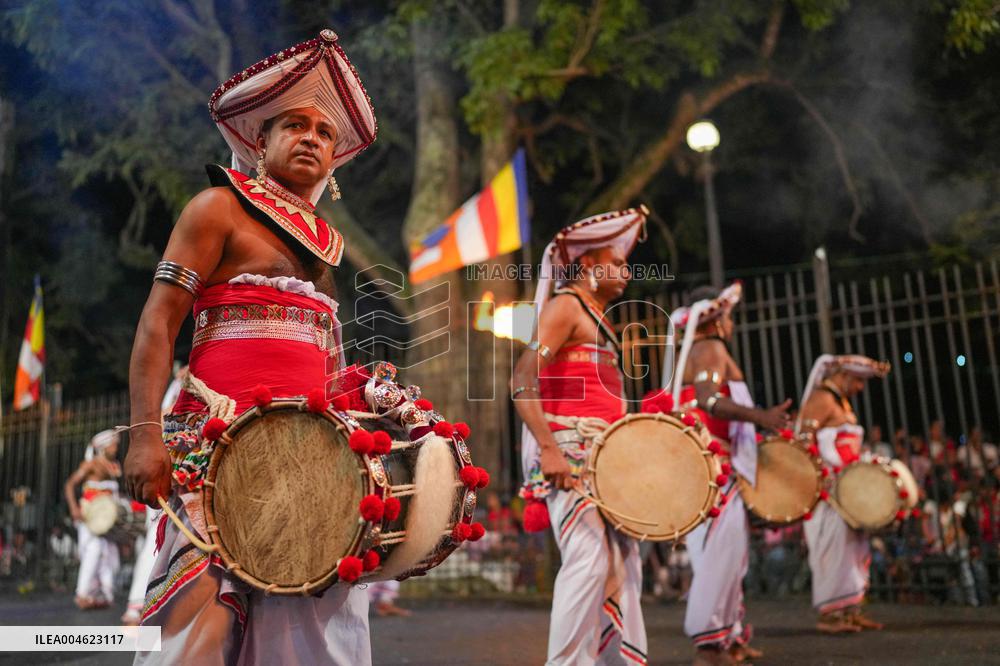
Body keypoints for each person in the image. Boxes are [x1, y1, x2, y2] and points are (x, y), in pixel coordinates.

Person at [123, 29, 376, 664]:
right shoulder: (216, 209)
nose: (313, 138)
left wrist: (362, 396)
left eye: (324, 132)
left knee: (315, 637)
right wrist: (144, 433)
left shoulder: (323, 246)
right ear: (259, 141)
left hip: (313, 463)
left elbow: (320, 356)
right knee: (194, 635)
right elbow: (158, 324)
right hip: (215, 449)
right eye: (296, 124)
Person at [512, 208, 649, 665]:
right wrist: (549, 448)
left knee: (620, 565)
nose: (627, 272)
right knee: (589, 559)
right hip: (570, 455)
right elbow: (521, 380)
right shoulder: (567, 306)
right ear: (589, 265)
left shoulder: (599, 320)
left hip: (606, 460)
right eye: (618, 262)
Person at [663, 283, 790, 665]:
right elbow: (707, 400)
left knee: (728, 556)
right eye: (730, 316)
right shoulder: (710, 348)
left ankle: (730, 637)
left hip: (709, 465)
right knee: (720, 555)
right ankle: (708, 643)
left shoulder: (698, 349)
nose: (732, 324)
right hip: (714, 468)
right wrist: (761, 417)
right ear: (716, 318)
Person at [796, 354, 890, 633]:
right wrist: (820, 479)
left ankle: (851, 609)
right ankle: (830, 616)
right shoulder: (822, 399)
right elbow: (801, 443)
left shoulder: (841, 402)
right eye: (858, 381)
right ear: (843, 375)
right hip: (829, 490)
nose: (861, 388)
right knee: (833, 549)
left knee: (855, 547)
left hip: (850, 487)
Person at [122, 365, 186, 625]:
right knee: (158, 532)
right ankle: (138, 604)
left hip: (187, 464)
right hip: (170, 467)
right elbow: (164, 417)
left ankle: (160, 603)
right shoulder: (176, 391)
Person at [64, 429, 123, 609]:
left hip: (107, 517)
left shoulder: (114, 465)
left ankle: (103, 594)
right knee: (94, 550)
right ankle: (82, 594)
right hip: (90, 515)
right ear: (103, 447)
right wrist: (74, 508)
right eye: (112, 444)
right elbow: (69, 485)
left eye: (116, 444)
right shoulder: (90, 464)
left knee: (109, 555)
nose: (115, 447)